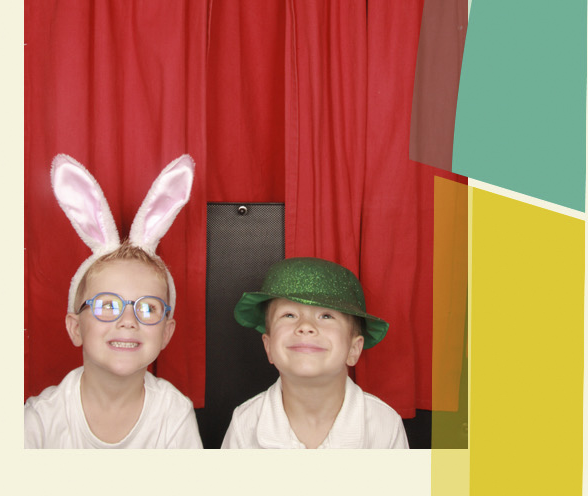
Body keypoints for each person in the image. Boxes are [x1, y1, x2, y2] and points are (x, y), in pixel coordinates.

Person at [25, 154, 202, 448]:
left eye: (147, 308)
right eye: (108, 305)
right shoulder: (40, 420)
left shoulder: (174, 414)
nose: (128, 321)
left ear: (167, 332)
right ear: (76, 328)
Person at [222, 256, 409, 449]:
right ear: (268, 347)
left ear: (354, 349)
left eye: (326, 316)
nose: (305, 326)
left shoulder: (385, 426)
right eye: (289, 315)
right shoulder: (244, 425)